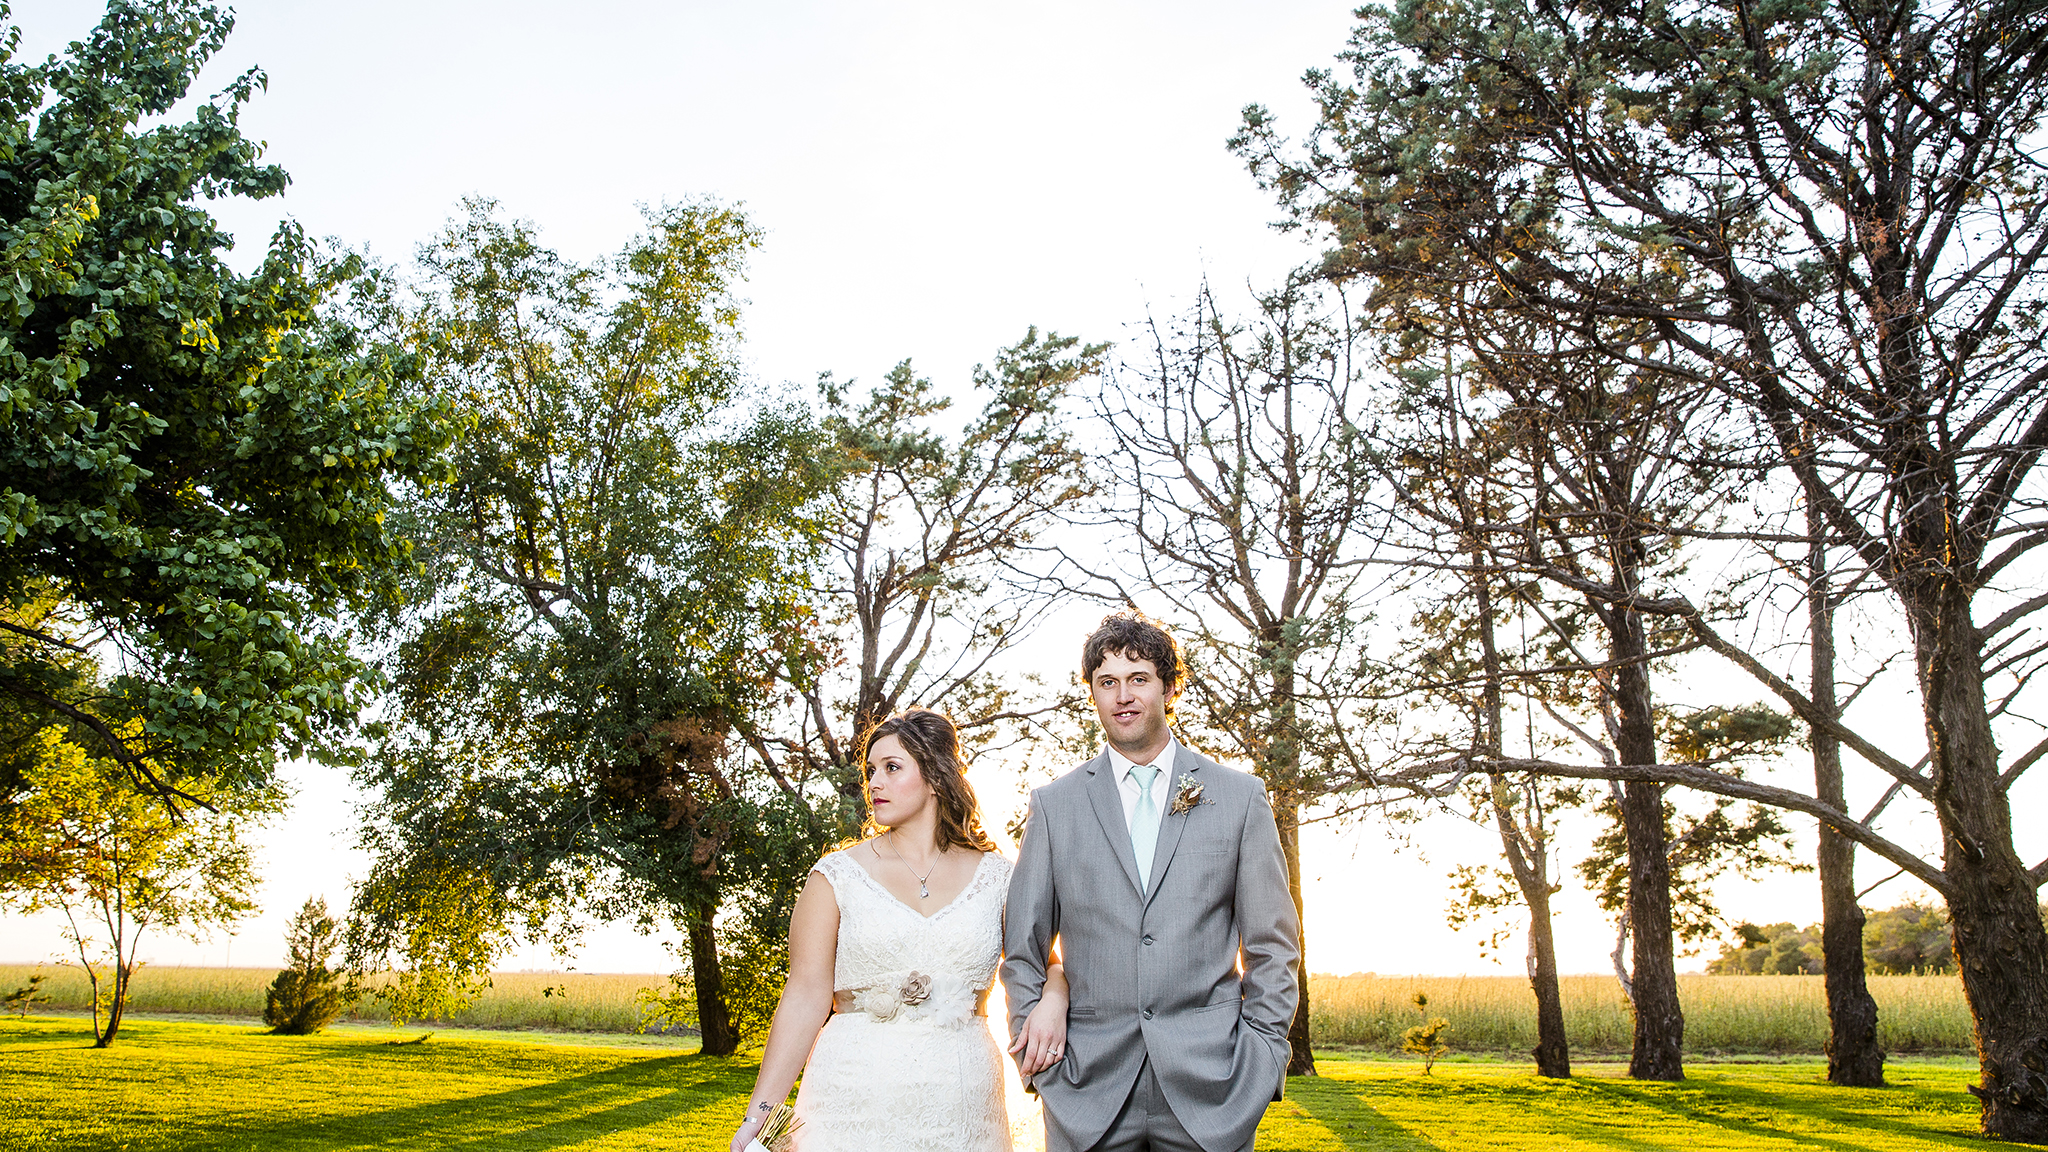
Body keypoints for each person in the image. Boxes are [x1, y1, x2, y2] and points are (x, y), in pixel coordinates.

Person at [1002, 612, 1300, 1152]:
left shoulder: (1239, 797)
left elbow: (1272, 946)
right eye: (1107, 681)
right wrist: (1036, 1052)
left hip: (1212, 1087)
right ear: (1092, 691)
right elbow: (1021, 947)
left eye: (1138, 678)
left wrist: (1264, 1056)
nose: (1123, 696)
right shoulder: (1054, 805)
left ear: (1168, 685)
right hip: (1085, 1085)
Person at [731, 708, 1070, 1152]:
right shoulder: (835, 876)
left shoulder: (1000, 878)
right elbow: (804, 996)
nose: (874, 782)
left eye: (892, 768)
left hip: (962, 1100)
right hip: (851, 1095)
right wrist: (760, 1114)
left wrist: (1055, 998)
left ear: (935, 778)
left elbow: (1047, 964)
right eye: (871, 770)